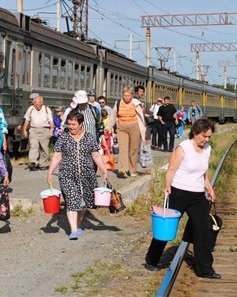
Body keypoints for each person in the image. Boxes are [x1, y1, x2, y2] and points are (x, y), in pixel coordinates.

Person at [144, 118, 220, 279]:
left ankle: (205, 269)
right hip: (178, 193)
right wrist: (167, 186)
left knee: (203, 229)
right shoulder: (183, 148)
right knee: (167, 229)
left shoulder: (207, 149)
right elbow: (171, 170)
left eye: (209, 137)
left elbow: (203, 174)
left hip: (198, 196)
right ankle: (152, 259)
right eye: (204, 136)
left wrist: (210, 189)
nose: (206, 140)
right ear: (195, 133)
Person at [47, 110, 109, 240]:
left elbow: (96, 155)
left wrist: (104, 170)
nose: (71, 127)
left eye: (73, 124)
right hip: (67, 175)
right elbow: (57, 155)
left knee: (84, 203)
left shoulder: (89, 137)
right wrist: (50, 172)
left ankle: (78, 224)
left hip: (87, 176)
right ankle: (73, 230)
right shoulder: (63, 137)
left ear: (81, 124)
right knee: (72, 200)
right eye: (69, 124)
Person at [108, 86, 146, 178]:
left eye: (128, 96)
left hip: (134, 127)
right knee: (123, 149)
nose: (126, 97)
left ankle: (132, 170)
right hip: (122, 128)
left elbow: (141, 117)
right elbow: (113, 115)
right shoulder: (118, 103)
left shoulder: (136, 103)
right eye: (125, 95)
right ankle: (122, 170)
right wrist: (108, 127)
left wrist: (144, 132)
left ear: (132, 95)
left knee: (133, 149)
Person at [22, 95, 54, 171]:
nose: (37, 106)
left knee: (44, 148)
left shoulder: (46, 109)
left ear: (42, 103)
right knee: (33, 146)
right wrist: (24, 130)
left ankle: (43, 164)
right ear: (33, 103)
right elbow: (27, 120)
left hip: (44, 129)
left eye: (38, 104)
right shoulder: (31, 109)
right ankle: (33, 162)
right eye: (35, 104)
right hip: (33, 130)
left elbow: (51, 121)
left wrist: (51, 130)